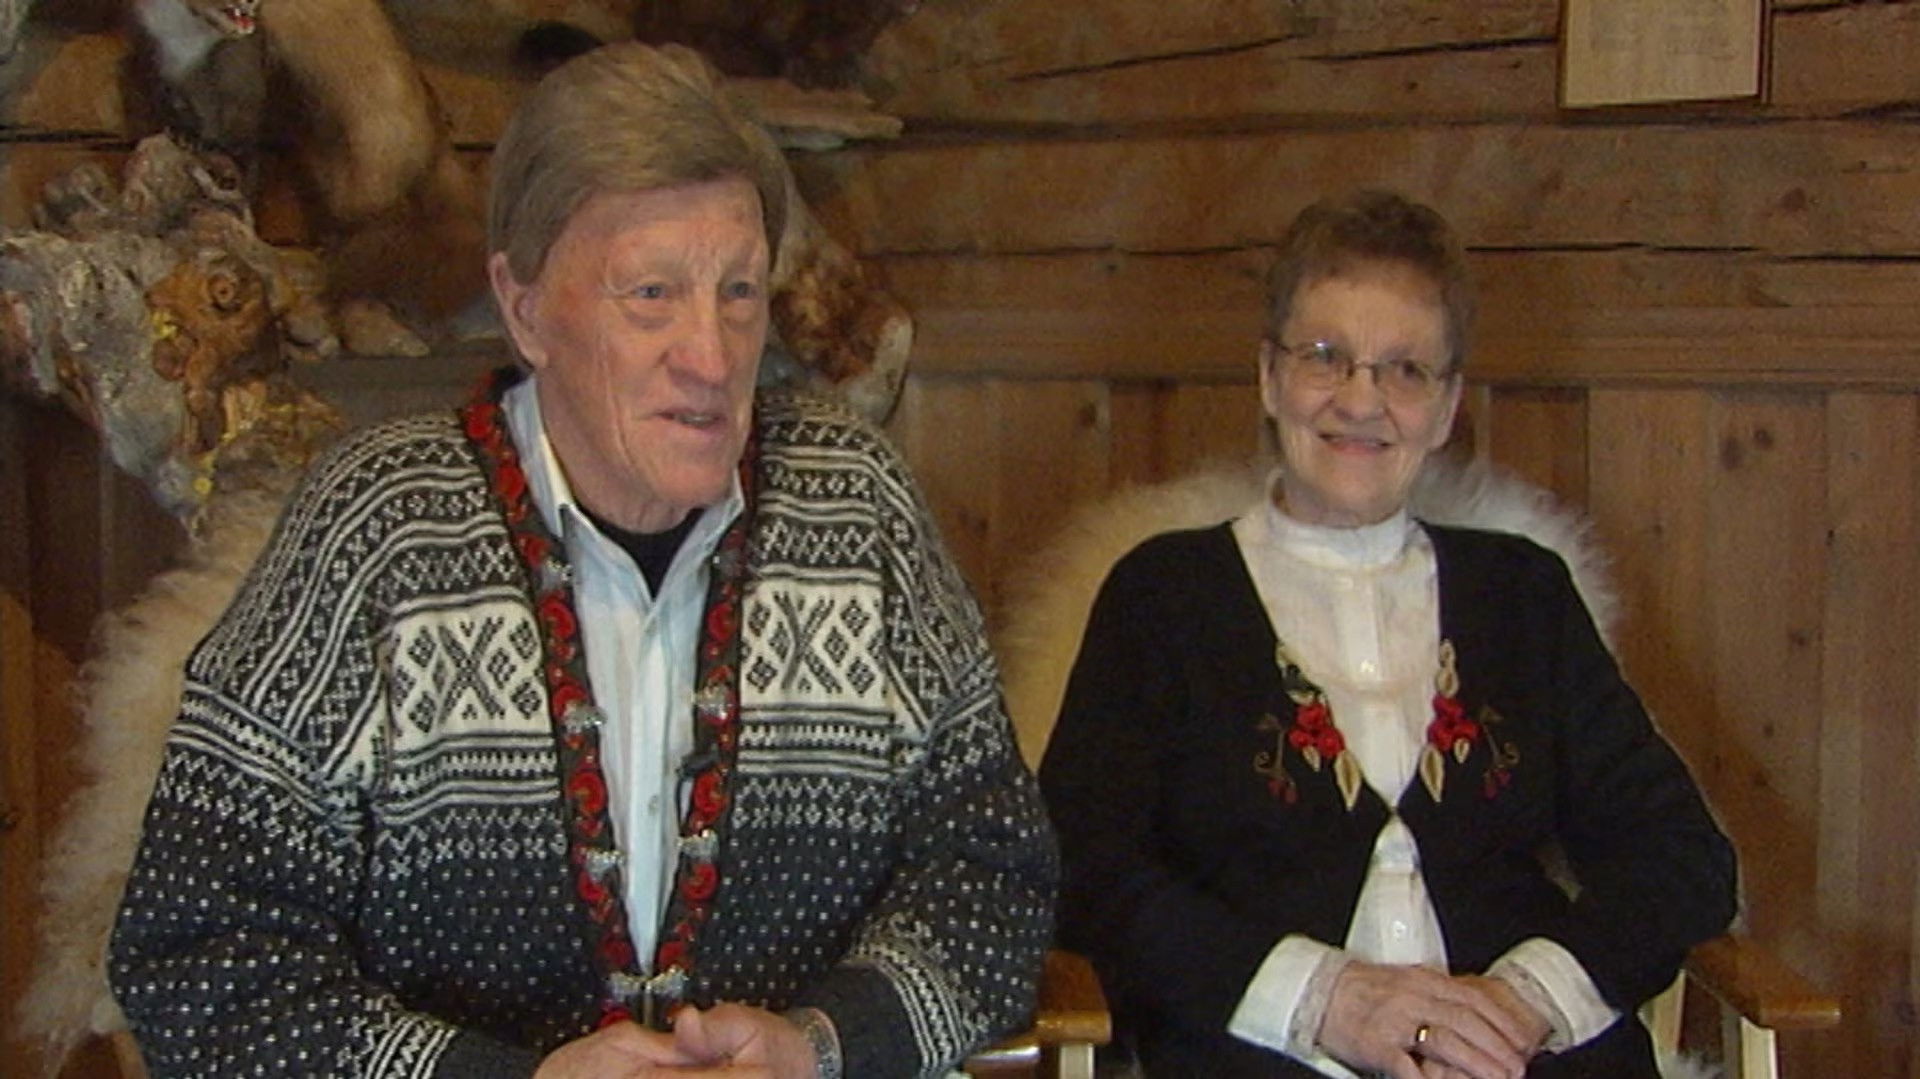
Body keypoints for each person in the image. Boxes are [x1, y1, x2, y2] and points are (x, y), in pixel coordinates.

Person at [109, 42, 1056, 1079]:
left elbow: (992, 880)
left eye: (740, 291)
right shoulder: (377, 528)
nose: (712, 355)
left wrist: (823, 1045)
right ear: (524, 309)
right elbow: (197, 951)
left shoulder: (857, 506)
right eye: (651, 293)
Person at [1036, 190, 1736, 1079]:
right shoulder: (1162, 596)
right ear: (1269, 377)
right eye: (1325, 357)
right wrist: (1325, 996)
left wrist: (1521, 1002)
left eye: (1406, 369)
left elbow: (1680, 856)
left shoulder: (1524, 594)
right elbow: (1083, 867)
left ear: (1446, 409)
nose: (1361, 400)